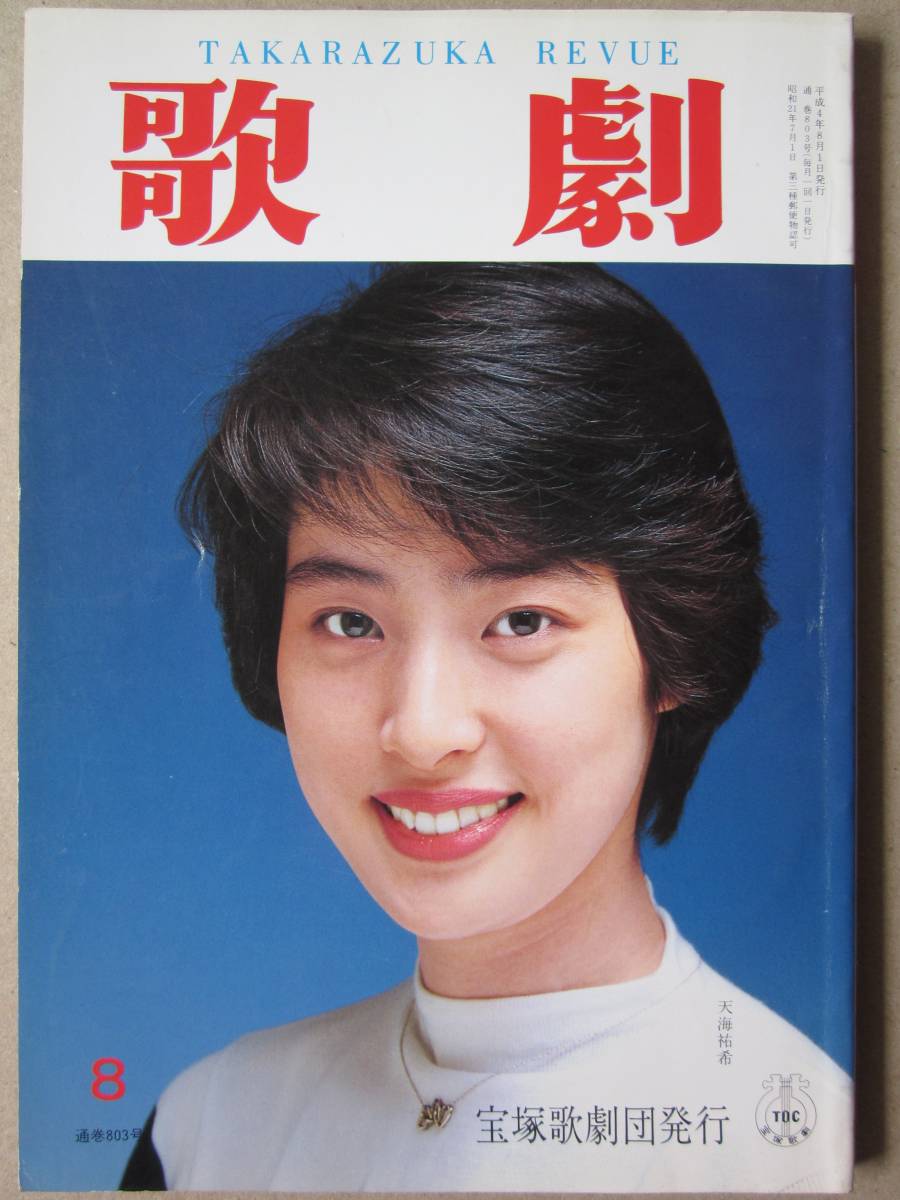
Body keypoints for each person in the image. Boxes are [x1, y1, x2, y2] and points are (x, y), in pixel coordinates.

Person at [121, 263, 852, 1193]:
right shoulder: (210, 1128)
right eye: (350, 622)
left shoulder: (793, 1155)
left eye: (521, 621)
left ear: (673, 651)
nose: (423, 730)